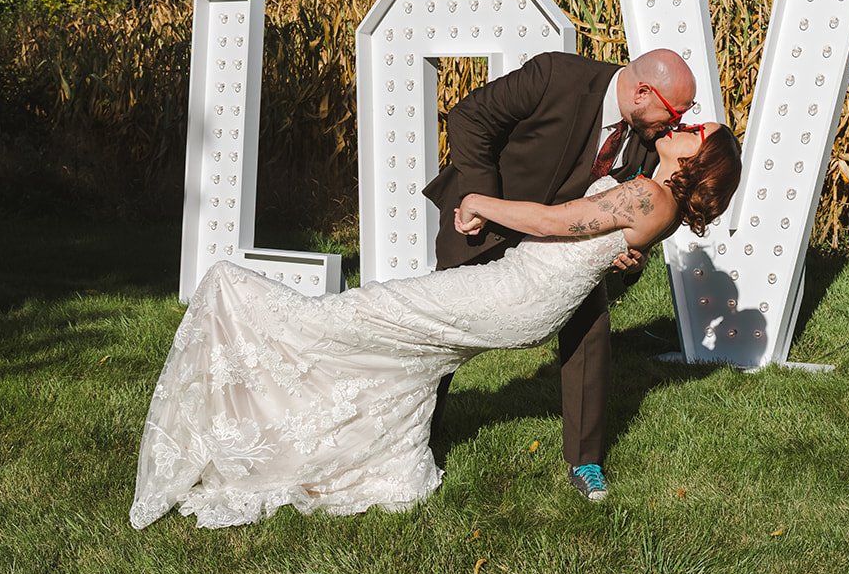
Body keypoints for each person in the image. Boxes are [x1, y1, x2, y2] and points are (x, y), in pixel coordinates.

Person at [128, 121, 741, 529]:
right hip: (526, 294)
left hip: (517, 292)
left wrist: (478, 203)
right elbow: (595, 239)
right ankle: (383, 460)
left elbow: (558, 222)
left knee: (356, 314)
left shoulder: (648, 198)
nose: (686, 126)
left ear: (700, 159)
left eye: (697, 131)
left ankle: (259, 406)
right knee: (400, 351)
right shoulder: (652, 201)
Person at [422, 47, 697, 501]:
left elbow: (635, 219)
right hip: (486, 218)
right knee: (440, 324)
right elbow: (470, 116)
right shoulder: (557, 74)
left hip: (561, 251)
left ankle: (584, 460)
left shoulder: (652, 139)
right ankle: (424, 433)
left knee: (591, 326)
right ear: (643, 91)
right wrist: (481, 201)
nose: (674, 126)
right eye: (672, 112)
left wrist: (635, 256)